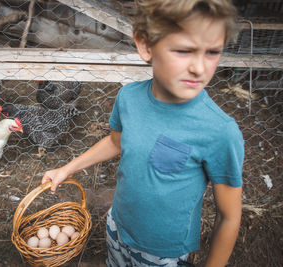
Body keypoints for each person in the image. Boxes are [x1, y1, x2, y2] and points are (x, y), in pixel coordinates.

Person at [42, 0, 244, 266]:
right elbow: (116, 141)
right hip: (118, 226)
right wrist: (67, 169)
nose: (199, 68)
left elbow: (229, 216)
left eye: (212, 52)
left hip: (163, 252)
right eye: (184, 51)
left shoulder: (219, 131)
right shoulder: (129, 97)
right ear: (146, 46)